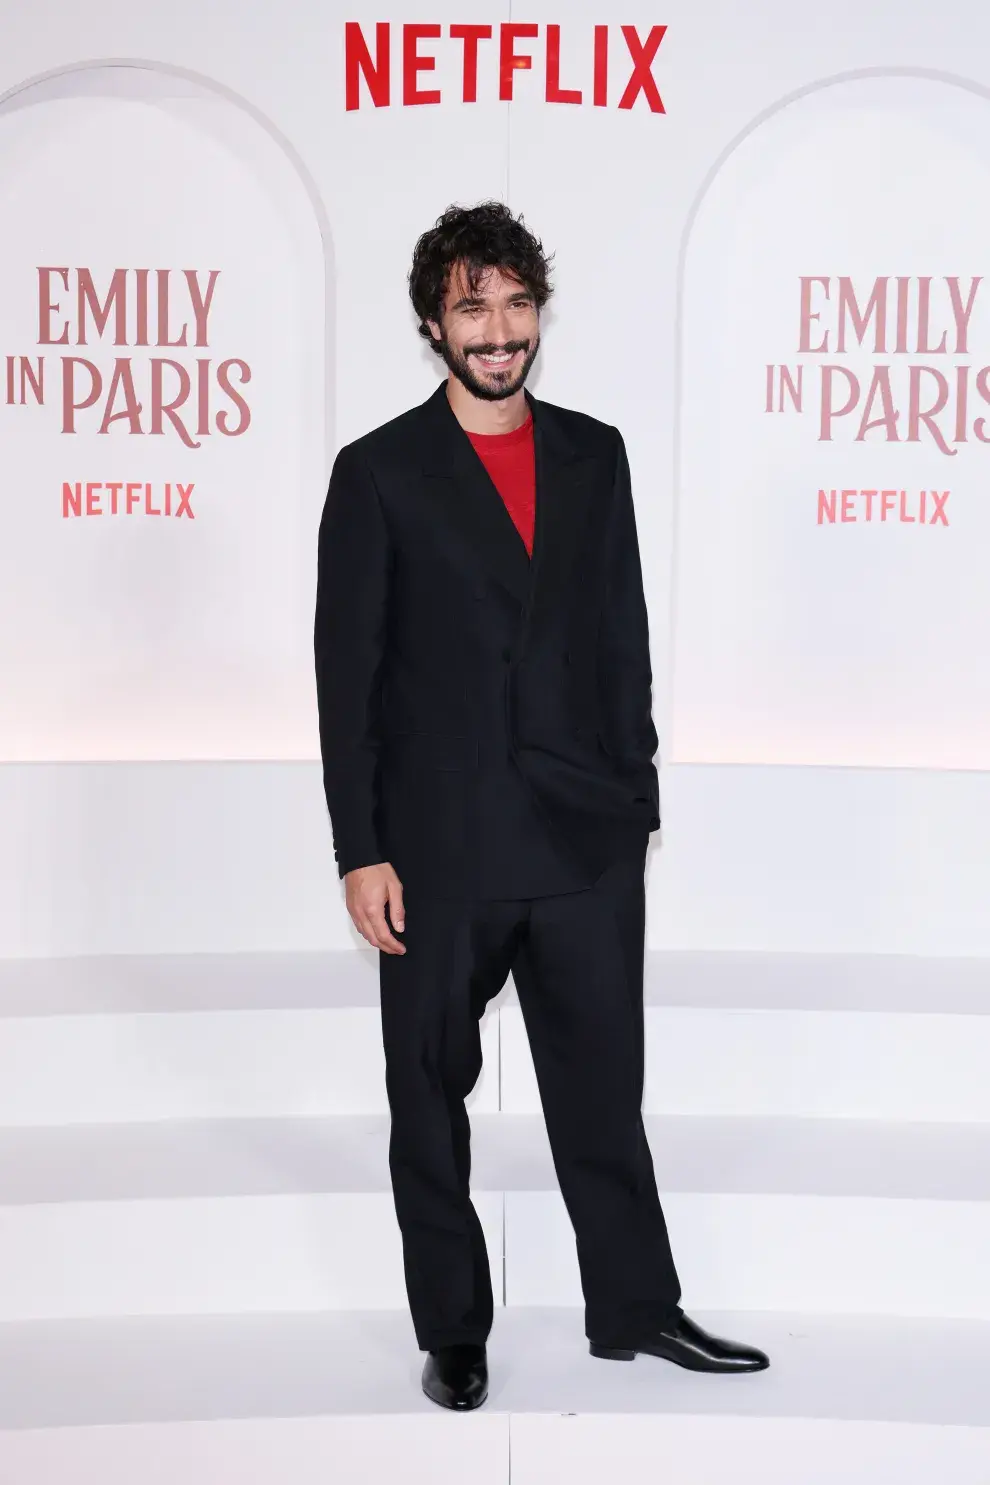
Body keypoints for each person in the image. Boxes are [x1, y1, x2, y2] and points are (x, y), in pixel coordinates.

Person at [314, 201, 769, 1411]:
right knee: (428, 1094)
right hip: (441, 845)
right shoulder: (377, 474)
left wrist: (635, 792)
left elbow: (623, 637)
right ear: (434, 323)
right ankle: (453, 1328)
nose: (499, 330)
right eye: (474, 306)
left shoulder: (593, 451)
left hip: (581, 839)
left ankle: (636, 1307)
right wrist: (362, 851)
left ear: (537, 315)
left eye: (517, 304)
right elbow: (344, 678)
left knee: (600, 1091)